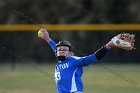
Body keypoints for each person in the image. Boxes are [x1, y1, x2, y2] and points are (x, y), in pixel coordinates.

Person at [38, 28, 114, 93]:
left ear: (70, 53)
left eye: (64, 50)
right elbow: (56, 48)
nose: (61, 51)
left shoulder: (74, 60)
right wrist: (47, 39)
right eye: (59, 50)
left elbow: (94, 57)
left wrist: (109, 45)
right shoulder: (60, 62)